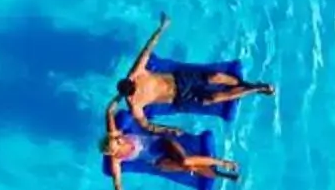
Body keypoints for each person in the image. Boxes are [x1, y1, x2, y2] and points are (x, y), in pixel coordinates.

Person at [117, 12, 276, 129]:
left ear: (130, 80)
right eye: (133, 90)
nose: (136, 87)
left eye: (133, 84)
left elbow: (147, 48)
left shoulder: (136, 73)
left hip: (181, 79)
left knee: (215, 76)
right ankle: (256, 89)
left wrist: (162, 28)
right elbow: (146, 125)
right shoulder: (134, 104)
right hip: (179, 98)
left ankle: (246, 83)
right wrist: (168, 130)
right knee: (214, 98)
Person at [103, 102, 240, 190]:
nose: (120, 141)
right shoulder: (116, 159)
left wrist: (119, 96)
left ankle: (223, 163)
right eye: (117, 145)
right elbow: (117, 183)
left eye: (117, 140)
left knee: (185, 161)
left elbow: (108, 112)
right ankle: (223, 175)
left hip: (164, 143)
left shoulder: (115, 134)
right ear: (113, 152)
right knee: (188, 168)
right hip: (158, 160)